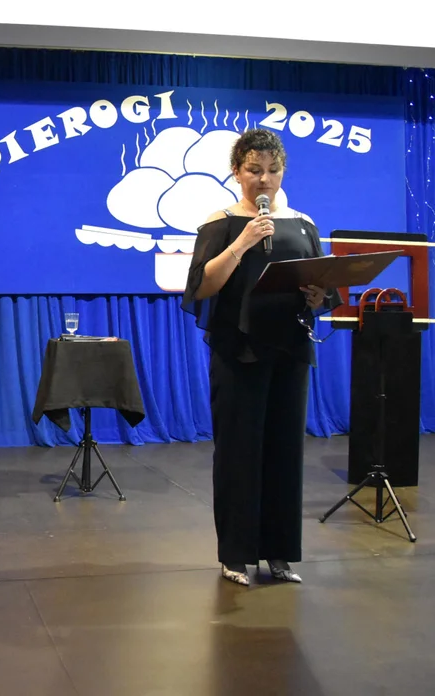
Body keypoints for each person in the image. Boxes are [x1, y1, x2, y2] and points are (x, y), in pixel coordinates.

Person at [181, 128, 340, 586]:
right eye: (254, 170)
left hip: (289, 349)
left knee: (284, 452)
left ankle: (279, 553)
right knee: (238, 451)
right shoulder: (222, 222)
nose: (264, 180)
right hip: (239, 350)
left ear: (283, 172)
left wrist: (318, 297)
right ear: (237, 172)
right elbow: (202, 286)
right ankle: (235, 554)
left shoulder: (303, 223)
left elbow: (322, 285)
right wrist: (243, 242)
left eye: (272, 170)